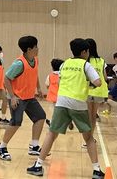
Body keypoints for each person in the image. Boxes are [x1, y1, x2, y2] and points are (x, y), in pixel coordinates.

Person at [26, 38, 105, 178]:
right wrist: (89, 82)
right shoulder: (86, 65)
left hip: (61, 102)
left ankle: (38, 165)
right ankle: (97, 170)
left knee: (51, 134)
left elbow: (62, 80)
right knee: (88, 138)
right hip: (78, 103)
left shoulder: (64, 64)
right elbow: (98, 82)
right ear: (85, 52)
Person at [0, 35, 46, 161]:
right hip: (18, 97)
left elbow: (35, 74)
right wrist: (12, 97)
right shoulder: (19, 63)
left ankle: (34, 146)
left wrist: (39, 88)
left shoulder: (35, 59)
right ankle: (2, 147)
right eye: (36, 47)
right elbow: (6, 78)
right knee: (16, 122)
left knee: (40, 117)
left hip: (29, 97)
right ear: (29, 49)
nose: (38, 49)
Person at [86, 39, 109, 128]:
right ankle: (91, 137)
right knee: (93, 116)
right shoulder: (101, 61)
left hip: (87, 92)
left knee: (88, 116)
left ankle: (88, 139)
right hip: (99, 92)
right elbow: (105, 77)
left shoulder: (85, 62)